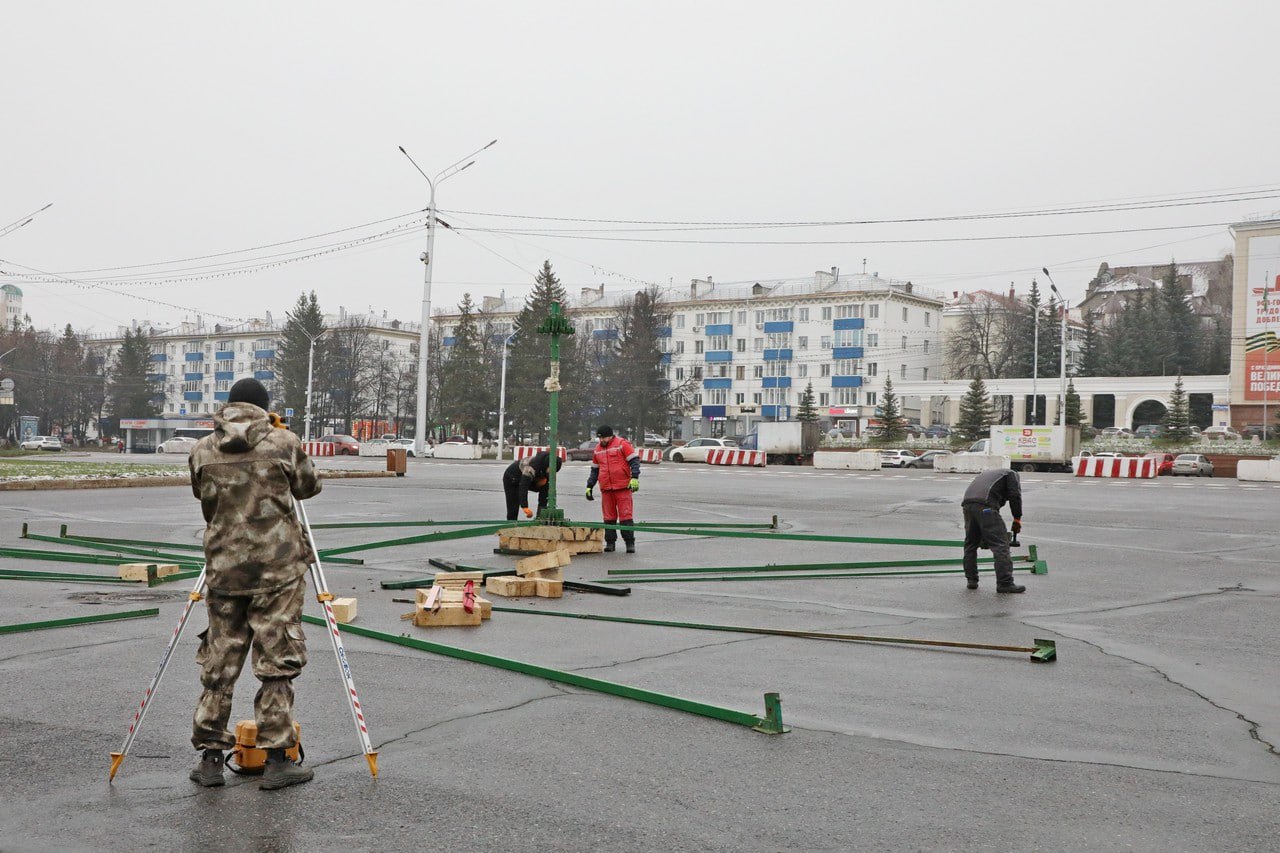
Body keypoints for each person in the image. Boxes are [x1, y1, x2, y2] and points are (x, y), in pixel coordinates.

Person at [186, 378, 322, 790]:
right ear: (266, 408)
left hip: (225, 568)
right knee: (276, 659)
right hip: (277, 570)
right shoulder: (283, 442)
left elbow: (201, 495)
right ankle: (279, 758)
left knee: (220, 661)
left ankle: (210, 760)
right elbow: (308, 487)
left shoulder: (202, 449)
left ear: (229, 406)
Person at [961, 468, 1025, 593]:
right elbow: (1014, 496)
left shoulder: (991, 475)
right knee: (1001, 545)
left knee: (971, 544)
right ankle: (1005, 583)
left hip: (967, 505)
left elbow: (996, 498)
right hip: (985, 506)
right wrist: (1017, 518)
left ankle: (971, 580)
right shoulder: (1012, 474)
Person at [585, 425, 640, 553]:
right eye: (599, 438)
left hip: (622, 487)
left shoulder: (622, 444)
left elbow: (634, 461)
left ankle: (629, 543)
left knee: (626, 516)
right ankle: (610, 543)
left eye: (603, 437)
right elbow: (595, 470)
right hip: (606, 488)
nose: (601, 440)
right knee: (608, 517)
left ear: (610, 436)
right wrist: (589, 485)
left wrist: (635, 477)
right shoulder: (597, 450)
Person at [502, 449, 564, 520]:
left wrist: (542, 509)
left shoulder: (549, 469)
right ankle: (511, 523)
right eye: (551, 470)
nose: (552, 472)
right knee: (513, 505)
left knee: (545, 487)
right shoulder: (531, 467)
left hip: (532, 479)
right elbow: (523, 486)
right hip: (512, 478)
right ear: (547, 465)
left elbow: (545, 494)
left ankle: (540, 517)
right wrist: (525, 507)